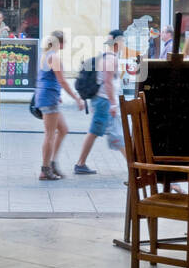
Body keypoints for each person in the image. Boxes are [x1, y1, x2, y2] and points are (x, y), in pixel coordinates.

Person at [74, 28, 126, 174]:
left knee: (100, 132)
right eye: (122, 41)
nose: (123, 45)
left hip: (102, 101)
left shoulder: (106, 57)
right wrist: (113, 104)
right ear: (117, 42)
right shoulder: (111, 59)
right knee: (110, 133)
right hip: (104, 102)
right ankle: (133, 165)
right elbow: (108, 83)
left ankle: (81, 163)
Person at [33, 31, 83, 180]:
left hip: (48, 96)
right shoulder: (53, 57)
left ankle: (52, 163)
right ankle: (45, 169)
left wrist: (57, 95)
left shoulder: (46, 55)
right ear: (59, 43)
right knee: (49, 135)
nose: (65, 44)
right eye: (64, 42)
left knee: (63, 129)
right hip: (48, 98)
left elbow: (47, 78)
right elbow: (62, 81)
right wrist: (77, 98)